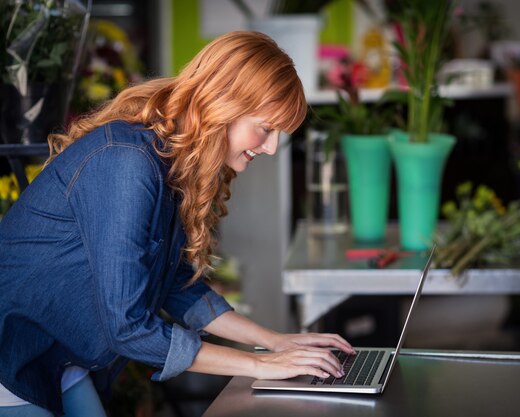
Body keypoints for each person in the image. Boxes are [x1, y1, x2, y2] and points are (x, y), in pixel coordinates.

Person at [0, 31, 354, 417]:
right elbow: (128, 328)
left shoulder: (168, 162)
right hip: (11, 358)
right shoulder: (126, 163)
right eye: (266, 128)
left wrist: (275, 341)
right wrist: (260, 365)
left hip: (56, 358)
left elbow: (176, 286)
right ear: (224, 103)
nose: (270, 148)